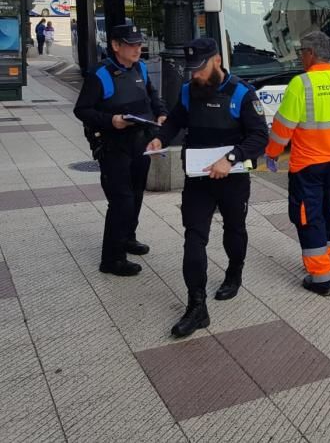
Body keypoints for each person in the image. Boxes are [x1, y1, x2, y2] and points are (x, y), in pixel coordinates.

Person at [147, 38, 268, 338]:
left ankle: (234, 273)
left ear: (216, 60)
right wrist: (161, 137)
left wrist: (231, 158)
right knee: (193, 237)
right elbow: (175, 120)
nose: (194, 75)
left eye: (199, 68)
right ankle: (197, 306)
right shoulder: (190, 91)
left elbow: (259, 138)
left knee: (234, 229)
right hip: (198, 179)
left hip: (233, 178)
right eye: (191, 69)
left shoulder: (241, 92)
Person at [264, 31, 330, 296]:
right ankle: (324, 260)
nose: (301, 56)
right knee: (327, 213)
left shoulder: (301, 84)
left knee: (308, 217)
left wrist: (272, 152)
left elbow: (282, 127)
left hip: (307, 166)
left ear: (311, 54)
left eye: (302, 51)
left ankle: (321, 277)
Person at [73, 24, 166, 276]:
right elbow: (82, 110)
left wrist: (161, 113)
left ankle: (127, 237)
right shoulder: (100, 74)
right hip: (114, 146)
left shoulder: (140, 68)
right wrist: (111, 120)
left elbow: (152, 96)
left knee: (136, 195)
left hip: (140, 142)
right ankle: (111, 259)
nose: (138, 49)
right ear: (115, 46)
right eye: (132, 44)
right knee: (121, 201)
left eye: (139, 44)